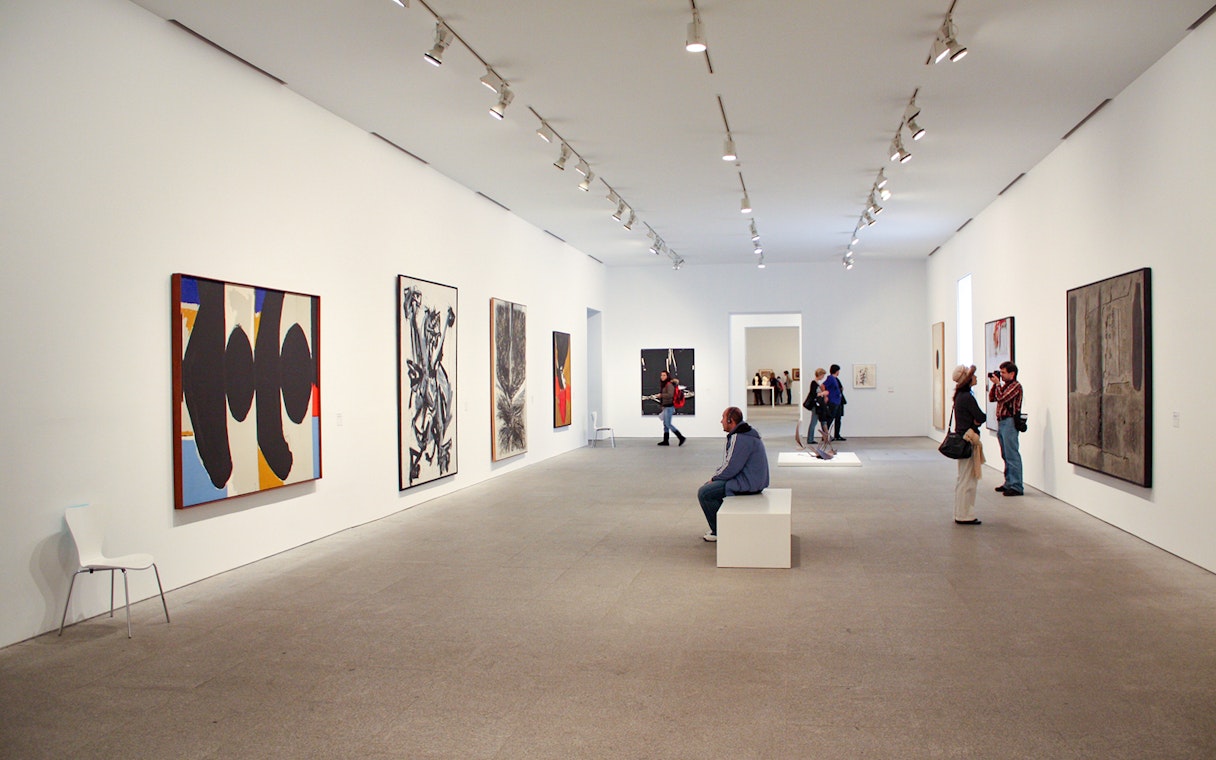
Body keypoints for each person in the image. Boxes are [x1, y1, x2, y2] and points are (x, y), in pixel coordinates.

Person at [698, 407, 770, 541]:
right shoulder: (746, 434)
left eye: (723, 418)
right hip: (753, 480)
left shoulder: (740, 438)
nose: (721, 421)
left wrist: (714, 478)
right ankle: (724, 525)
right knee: (711, 489)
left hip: (748, 483)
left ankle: (719, 530)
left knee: (705, 492)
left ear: (731, 420)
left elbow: (731, 467)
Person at [951, 365, 986, 525]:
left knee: (963, 478)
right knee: (968, 480)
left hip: (963, 437)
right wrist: (976, 420)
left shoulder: (960, 396)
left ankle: (961, 512)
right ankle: (964, 515)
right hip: (968, 439)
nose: (976, 378)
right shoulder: (967, 397)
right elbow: (980, 416)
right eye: (974, 376)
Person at [988, 360, 1024, 497]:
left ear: (1012, 373)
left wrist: (998, 384)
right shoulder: (1003, 386)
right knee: (1005, 454)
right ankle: (1009, 482)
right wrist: (995, 385)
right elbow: (992, 398)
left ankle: (1016, 486)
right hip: (1001, 422)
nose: (1001, 375)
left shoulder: (1016, 386)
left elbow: (1002, 398)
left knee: (1012, 454)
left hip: (1009, 422)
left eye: (1003, 372)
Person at [656, 370, 686, 446]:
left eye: (664, 375)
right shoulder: (665, 384)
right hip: (666, 407)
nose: (662, 377)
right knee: (665, 424)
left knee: (668, 424)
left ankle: (681, 437)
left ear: (667, 376)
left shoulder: (669, 384)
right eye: (661, 375)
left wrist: (661, 395)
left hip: (669, 407)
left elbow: (670, 395)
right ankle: (665, 441)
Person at [823, 364, 846, 441]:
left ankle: (837, 435)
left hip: (838, 402)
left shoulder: (836, 379)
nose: (839, 372)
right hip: (833, 401)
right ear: (836, 371)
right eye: (838, 370)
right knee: (830, 418)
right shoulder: (830, 378)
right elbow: (823, 386)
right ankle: (825, 435)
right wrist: (825, 395)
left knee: (838, 419)